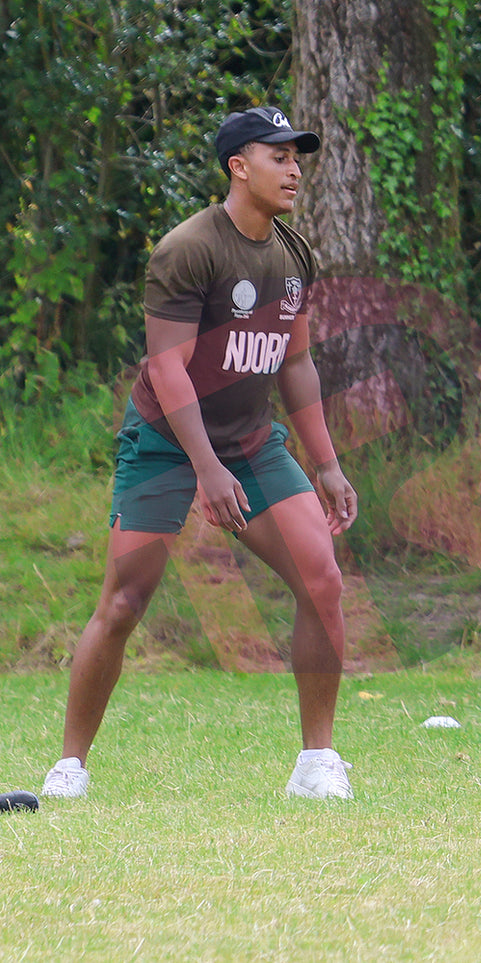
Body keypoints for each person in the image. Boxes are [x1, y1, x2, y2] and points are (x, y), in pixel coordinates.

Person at [40, 106, 358, 800]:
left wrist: (326, 461)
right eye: (279, 156)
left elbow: (296, 364)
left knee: (323, 580)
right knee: (124, 601)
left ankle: (317, 763)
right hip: (165, 442)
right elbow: (167, 367)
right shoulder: (188, 248)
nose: (295, 168)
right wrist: (204, 470)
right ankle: (70, 764)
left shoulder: (294, 254)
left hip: (250, 442)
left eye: (299, 157)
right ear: (238, 166)